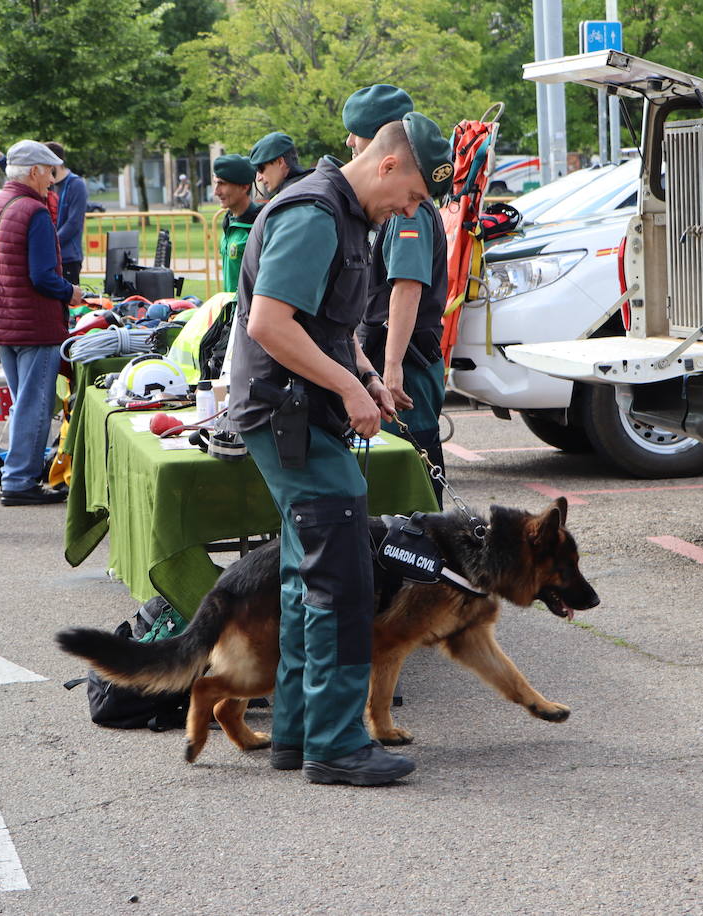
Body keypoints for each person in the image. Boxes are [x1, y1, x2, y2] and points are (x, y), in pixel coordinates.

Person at [226, 115, 453, 786]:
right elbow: (269, 323)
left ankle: (298, 733)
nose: (411, 211)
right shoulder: (315, 214)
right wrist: (350, 389)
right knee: (342, 576)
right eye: (412, 195)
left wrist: (368, 376)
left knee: (307, 576)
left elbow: (328, 322)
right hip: (288, 415)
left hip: (302, 412)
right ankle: (335, 745)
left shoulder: (346, 216)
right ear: (388, 166)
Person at [345, 86, 451, 505]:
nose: (350, 144)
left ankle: (430, 565)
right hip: (396, 355)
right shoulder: (391, 203)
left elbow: (406, 289)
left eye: (356, 135)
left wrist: (389, 369)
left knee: (413, 477)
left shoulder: (410, 210)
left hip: (405, 360)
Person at [0, 140, 84, 506]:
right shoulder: (33, 211)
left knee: (22, 402)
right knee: (33, 405)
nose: (52, 180)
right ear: (35, 171)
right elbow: (42, 276)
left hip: (3, 320)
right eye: (49, 172)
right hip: (34, 322)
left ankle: (18, 473)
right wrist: (71, 291)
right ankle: (20, 479)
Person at [211, 154, 261, 295]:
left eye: (222, 184)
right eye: (216, 183)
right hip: (234, 313)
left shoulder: (259, 227)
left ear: (244, 187)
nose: (216, 192)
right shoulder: (229, 222)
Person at [45, 142, 88, 286]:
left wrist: (50, 242)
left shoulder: (76, 185)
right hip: (49, 256)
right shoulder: (46, 185)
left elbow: (74, 223)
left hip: (68, 258)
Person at [249, 131, 309, 198]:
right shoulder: (312, 186)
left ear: (280, 162)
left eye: (261, 169)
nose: (258, 178)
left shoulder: (289, 198)